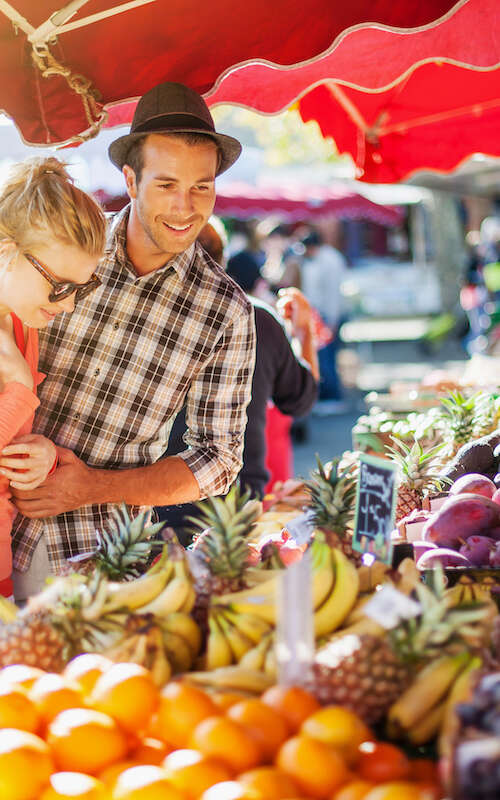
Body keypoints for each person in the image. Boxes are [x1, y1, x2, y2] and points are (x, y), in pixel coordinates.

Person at [9, 82, 256, 598]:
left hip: (101, 557)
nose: (185, 207)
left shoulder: (226, 312)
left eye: (201, 187)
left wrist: (91, 488)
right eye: (165, 184)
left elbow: (219, 460)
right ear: (130, 178)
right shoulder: (68, 246)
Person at [157, 222, 318, 543]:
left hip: (153, 506)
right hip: (236, 511)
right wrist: (305, 332)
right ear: (223, 260)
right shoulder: (257, 317)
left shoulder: (146, 318)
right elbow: (300, 401)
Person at [0, 157, 106, 599]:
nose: (68, 305)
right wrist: (22, 390)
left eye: (80, 288)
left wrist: (42, 452)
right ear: (7, 250)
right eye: (59, 286)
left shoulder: (22, 325)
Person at [300, 230, 348, 413]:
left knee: (327, 356)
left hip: (327, 315)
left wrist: (332, 320)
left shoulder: (329, 261)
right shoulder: (322, 259)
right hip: (321, 314)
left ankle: (332, 396)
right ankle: (329, 395)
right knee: (323, 355)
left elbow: (332, 293)